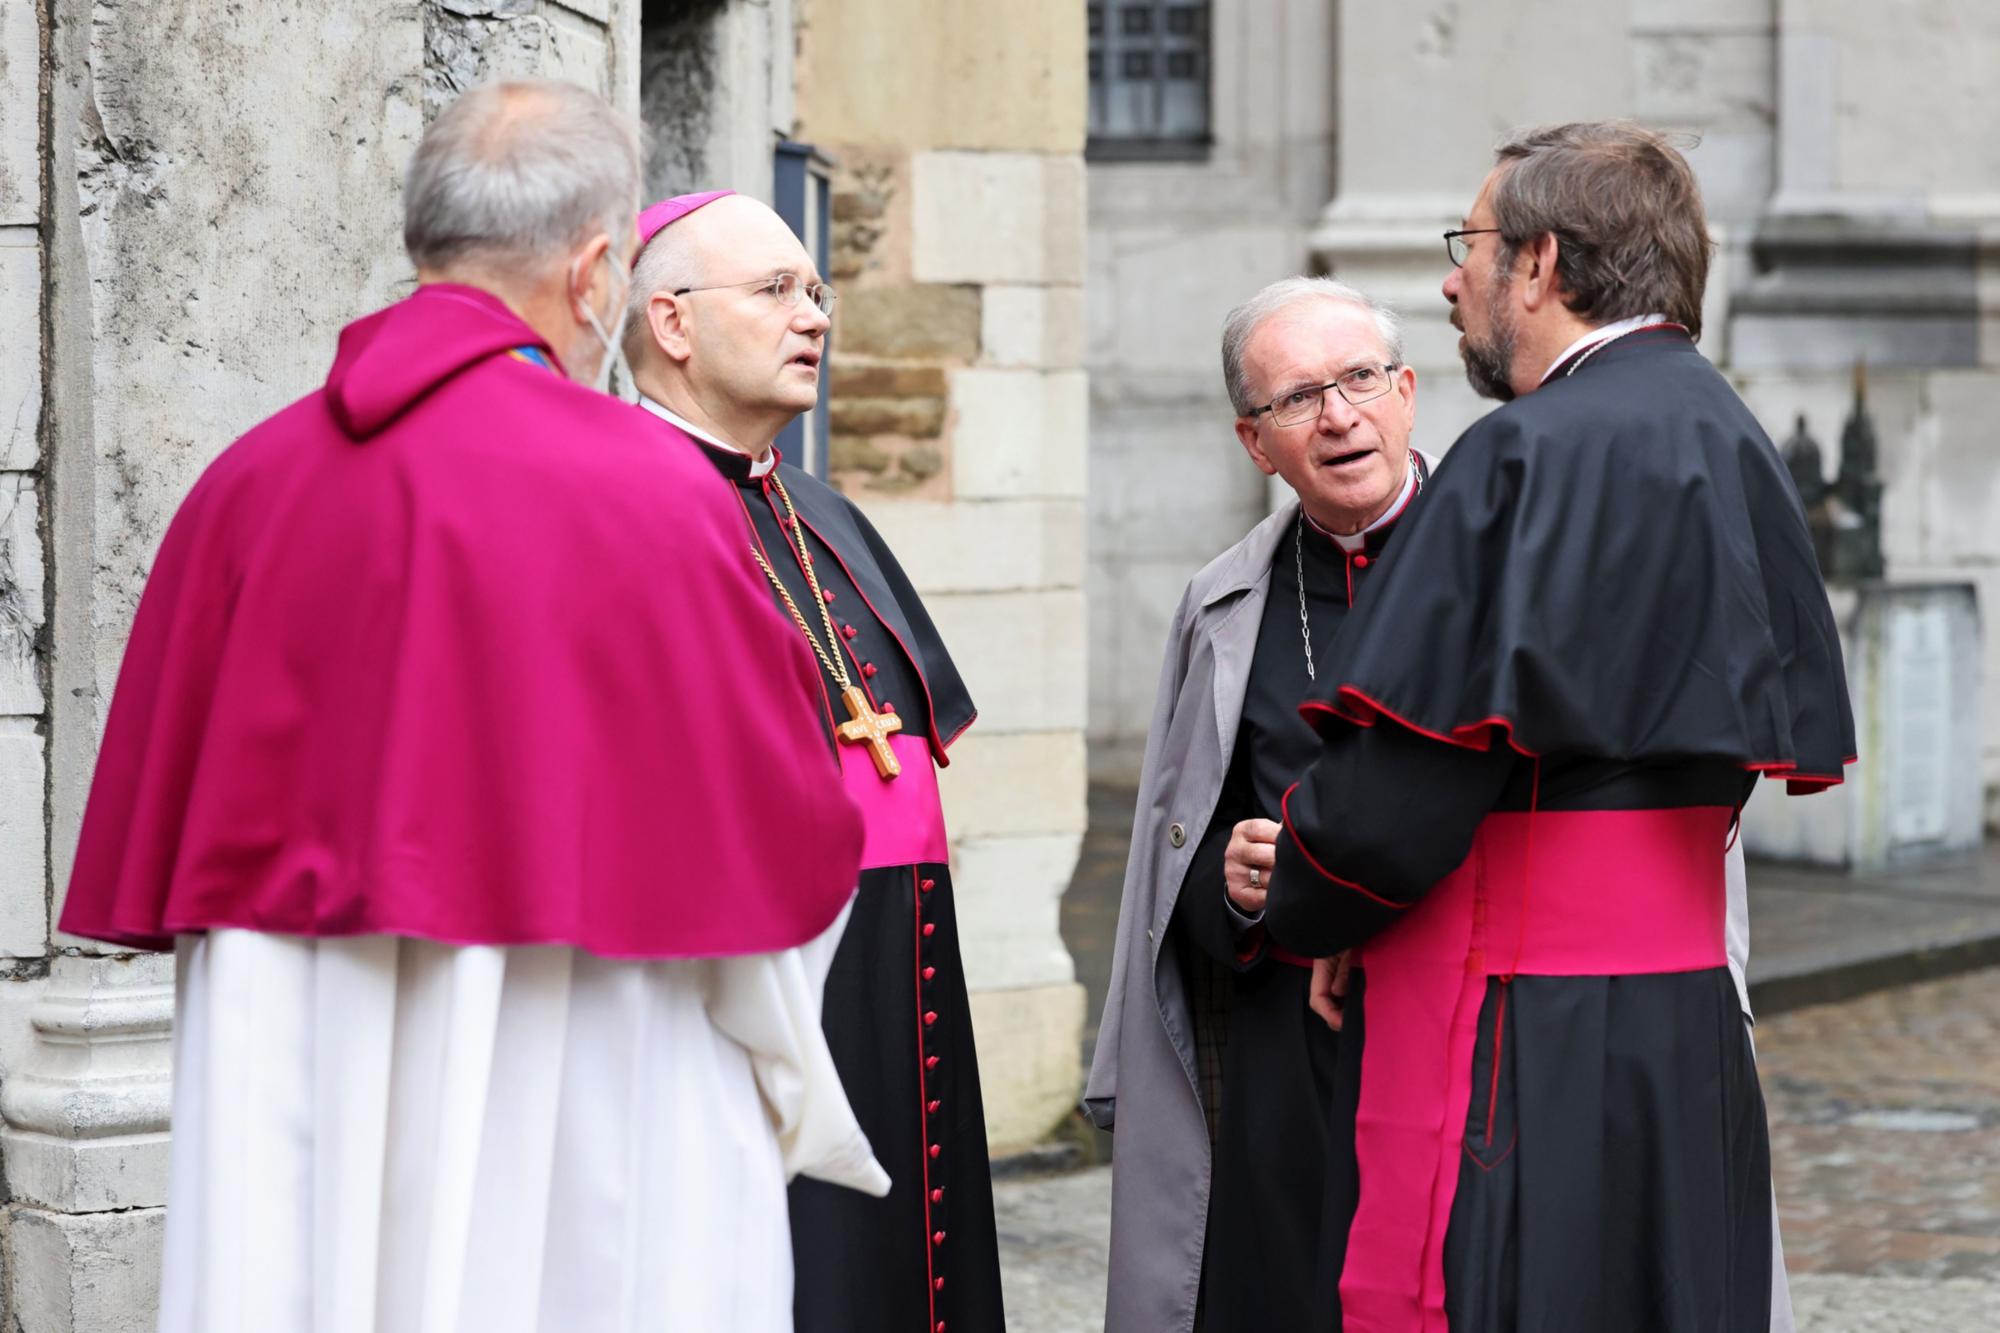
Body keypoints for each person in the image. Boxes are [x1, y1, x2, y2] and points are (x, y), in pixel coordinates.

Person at [58, 81, 882, 1333]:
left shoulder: (245, 485)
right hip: (582, 1049)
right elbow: (788, 831)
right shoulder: (646, 493)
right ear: (597, 270)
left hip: (298, 1050)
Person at [1266, 121, 1854, 1331]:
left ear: (1537, 265)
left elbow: (1390, 804)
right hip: (1684, 1023)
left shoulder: (1520, 455)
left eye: (1467, 247)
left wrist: (1309, 898)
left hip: (1524, 1026)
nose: (1448, 280)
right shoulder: (1733, 438)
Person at [622, 189, 1004, 1333]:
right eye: (776, 290)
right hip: (749, 979)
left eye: (819, 292)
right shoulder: (625, 509)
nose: (815, 317)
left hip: (900, 955)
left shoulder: (823, 510)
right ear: (672, 322)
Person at [1084, 277, 1428, 1333]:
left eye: (1359, 380)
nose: (1336, 417)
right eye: (1295, 399)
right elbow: (1167, 858)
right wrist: (1227, 887)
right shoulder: (1221, 600)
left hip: (1458, 1021)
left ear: (1406, 391)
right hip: (1291, 1047)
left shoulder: (1504, 563)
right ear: (1253, 440)